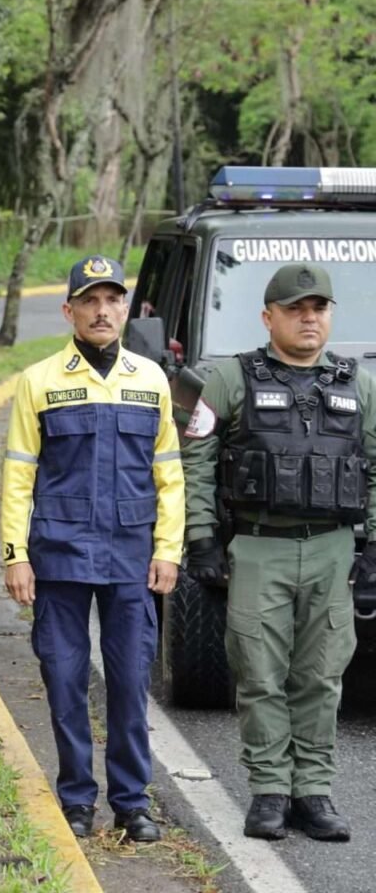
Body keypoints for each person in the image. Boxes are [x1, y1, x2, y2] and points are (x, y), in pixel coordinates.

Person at [181, 262, 376, 842]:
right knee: (258, 673)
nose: (308, 318)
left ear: (330, 315)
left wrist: (372, 547)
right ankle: (269, 790)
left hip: (332, 549)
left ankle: (313, 792)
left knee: (321, 675)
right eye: (295, 309)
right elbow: (196, 459)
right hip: (258, 546)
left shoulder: (361, 385)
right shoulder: (229, 378)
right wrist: (201, 537)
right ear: (269, 317)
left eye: (318, 308)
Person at [0, 255, 182, 843]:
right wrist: (15, 554)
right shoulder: (40, 381)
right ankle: (76, 798)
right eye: (90, 301)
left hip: (131, 557)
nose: (102, 311)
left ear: (126, 309)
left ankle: (132, 803)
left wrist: (169, 549)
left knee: (129, 683)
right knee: (64, 679)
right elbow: (18, 476)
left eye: (112, 300)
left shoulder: (151, 380)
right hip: (59, 554)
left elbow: (170, 476)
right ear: (69, 310)